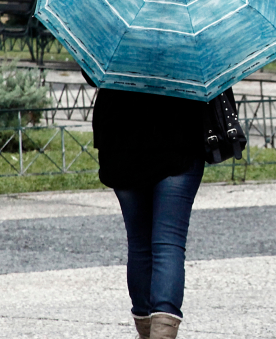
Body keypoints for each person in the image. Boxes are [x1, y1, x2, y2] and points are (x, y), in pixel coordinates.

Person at [89, 74, 243, 339]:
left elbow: (91, 73)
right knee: (168, 243)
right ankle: (162, 334)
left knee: (139, 243)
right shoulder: (189, 31)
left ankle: (146, 331)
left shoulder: (119, 32)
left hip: (120, 134)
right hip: (179, 131)